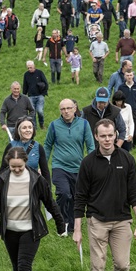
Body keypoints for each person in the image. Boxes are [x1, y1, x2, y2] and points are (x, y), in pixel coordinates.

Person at [73, 119, 136, 271]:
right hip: (97, 221)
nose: (107, 140)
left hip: (122, 220)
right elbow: (79, 197)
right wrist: (77, 229)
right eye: (102, 136)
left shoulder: (127, 159)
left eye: (110, 135)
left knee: (122, 265)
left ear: (116, 136)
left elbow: (135, 193)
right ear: (96, 137)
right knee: (98, 267)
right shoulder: (88, 163)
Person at [0, 146, 65, 271]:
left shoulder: (36, 180)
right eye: (13, 167)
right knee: (16, 265)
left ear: (26, 162)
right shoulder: (2, 180)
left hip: (31, 229)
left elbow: (50, 202)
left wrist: (60, 224)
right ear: (8, 164)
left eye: (20, 166)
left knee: (24, 263)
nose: (17, 170)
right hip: (10, 230)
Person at [44, 99, 95, 234]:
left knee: (75, 198)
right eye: (63, 109)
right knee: (64, 193)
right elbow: (48, 145)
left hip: (78, 168)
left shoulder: (84, 124)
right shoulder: (54, 126)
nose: (66, 111)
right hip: (59, 166)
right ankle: (62, 220)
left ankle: (72, 227)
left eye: (68, 108)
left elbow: (90, 145)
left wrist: (93, 164)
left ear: (74, 108)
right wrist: (42, 165)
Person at [0, 117, 50, 184]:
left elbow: (45, 172)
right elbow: (3, 169)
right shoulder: (11, 146)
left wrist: (48, 191)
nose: (28, 130)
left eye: (30, 127)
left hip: (33, 186)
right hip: (14, 185)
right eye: (24, 128)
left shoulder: (38, 147)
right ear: (19, 130)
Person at [118, 70, 136, 148]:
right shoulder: (121, 87)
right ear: (125, 76)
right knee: (125, 128)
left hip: (135, 111)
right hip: (124, 111)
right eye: (127, 75)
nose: (129, 77)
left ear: (133, 76)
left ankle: (134, 145)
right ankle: (124, 143)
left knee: (135, 132)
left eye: (130, 75)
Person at [23, 60, 49, 129]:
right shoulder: (26, 75)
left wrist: (44, 93)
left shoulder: (39, 73)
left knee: (40, 111)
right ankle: (34, 127)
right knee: (32, 112)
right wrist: (24, 94)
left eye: (30, 67)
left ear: (34, 66)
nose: (29, 69)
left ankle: (41, 124)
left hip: (40, 95)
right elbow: (25, 85)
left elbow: (46, 83)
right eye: (28, 68)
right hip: (31, 96)